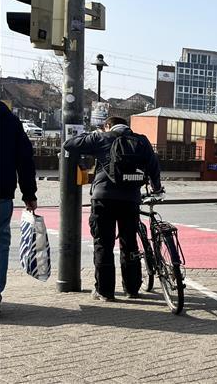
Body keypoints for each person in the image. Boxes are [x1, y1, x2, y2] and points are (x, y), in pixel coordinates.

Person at [63, 116, 162, 301]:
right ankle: (132, 289)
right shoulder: (141, 140)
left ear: (108, 126)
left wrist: (96, 134)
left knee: (103, 244)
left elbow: (70, 144)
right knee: (129, 244)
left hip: (104, 198)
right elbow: (154, 165)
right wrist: (156, 188)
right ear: (127, 126)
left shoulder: (102, 138)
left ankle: (104, 291)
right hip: (131, 198)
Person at [0, 102, 38, 299]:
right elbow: (25, 161)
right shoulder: (11, 121)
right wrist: (29, 194)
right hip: (1, 192)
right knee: (0, 243)